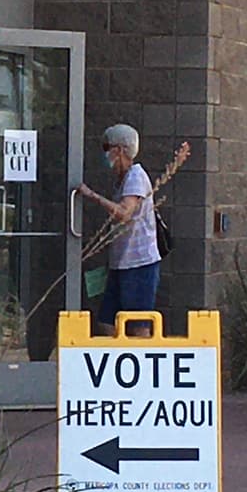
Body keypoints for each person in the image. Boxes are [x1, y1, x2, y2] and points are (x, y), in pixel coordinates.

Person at [77, 125, 189, 336]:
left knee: (139, 325)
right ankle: (118, 358)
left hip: (139, 263)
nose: (104, 153)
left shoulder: (136, 176)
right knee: (107, 321)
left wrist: (92, 196)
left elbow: (124, 213)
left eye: (106, 147)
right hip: (121, 262)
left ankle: (139, 362)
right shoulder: (122, 179)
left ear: (119, 150)